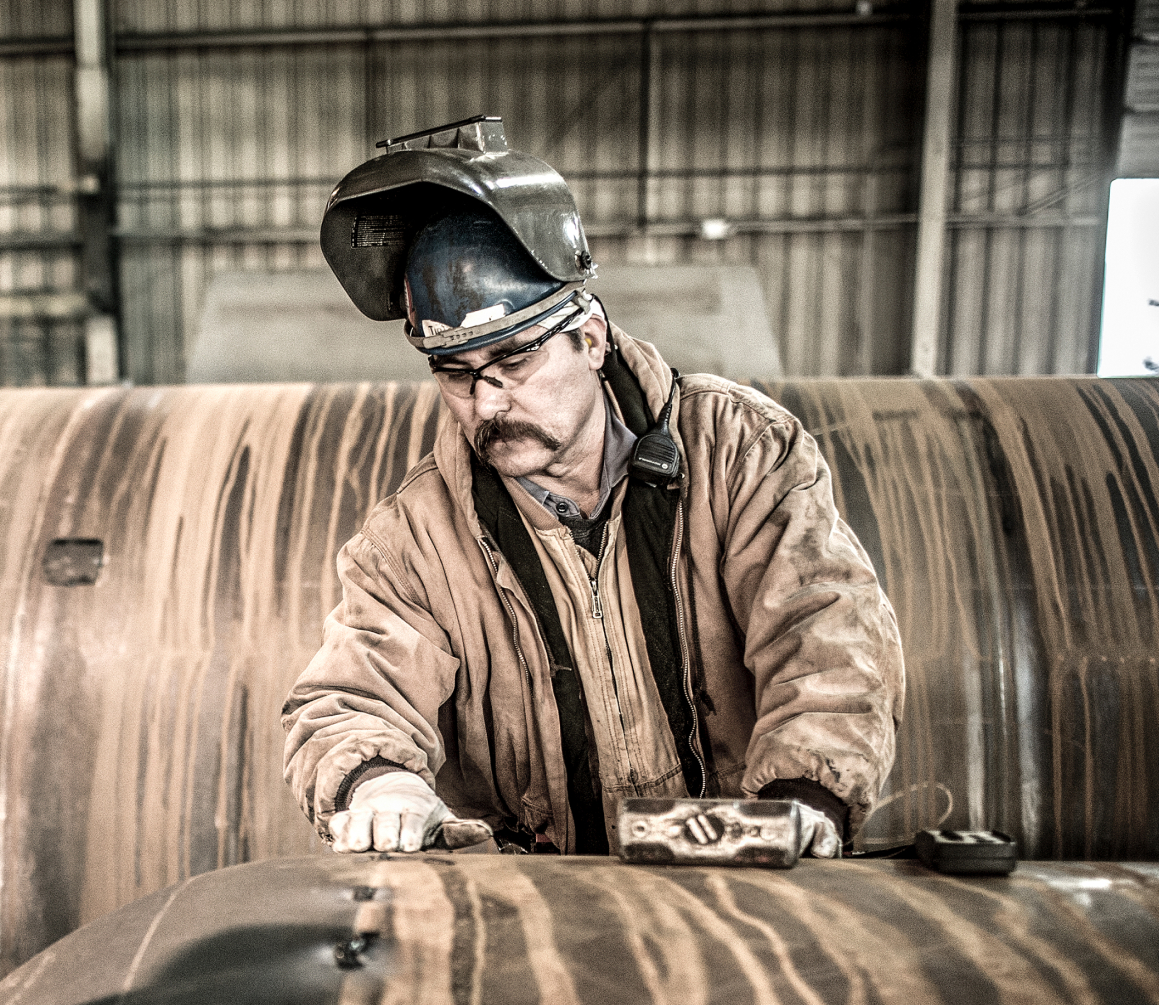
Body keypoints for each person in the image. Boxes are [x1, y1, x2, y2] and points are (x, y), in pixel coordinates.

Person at [283, 116, 904, 857]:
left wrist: (803, 799)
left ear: (590, 336)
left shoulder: (740, 452)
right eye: (457, 374)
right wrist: (380, 782)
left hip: (739, 884)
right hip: (538, 907)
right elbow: (349, 699)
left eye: (514, 360)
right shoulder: (413, 539)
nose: (487, 402)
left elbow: (826, 636)